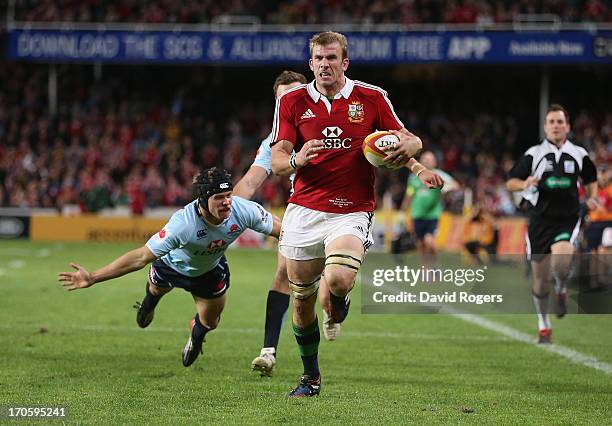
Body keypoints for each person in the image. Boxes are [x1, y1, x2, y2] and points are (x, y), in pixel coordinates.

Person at [270, 31, 444, 397]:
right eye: (318, 58)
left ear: (344, 62)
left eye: (332, 58)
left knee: (338, 280)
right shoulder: (292, 103)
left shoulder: (371, 97)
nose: (324, 64)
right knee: (301, 299)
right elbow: (278, 159)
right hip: (304, 209)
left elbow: (408, 138)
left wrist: (413, 159)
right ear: (311, 63)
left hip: (352, 209)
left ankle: (340, 298)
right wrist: (297, 159)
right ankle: (310, 377)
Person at [58, 167, 281, 366]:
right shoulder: (183, 224)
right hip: (171, 265)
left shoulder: (243, 211)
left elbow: (285, 231)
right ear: (203, 200)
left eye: (229, 195)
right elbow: (141, 257)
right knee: (156, 288)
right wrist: (93, 277)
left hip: (209, 271)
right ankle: (149, 301)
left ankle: (196, 334)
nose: (227, 202)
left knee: (211, 322)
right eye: (219, 197)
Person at [233, 71, 343, 380]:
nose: (289, 102)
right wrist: (226, 205)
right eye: (282, 98)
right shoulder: (275, 140)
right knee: (284, 273)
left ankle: (335, 305)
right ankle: (268, 351)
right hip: (305, 213)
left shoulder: (331, 119)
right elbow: (252, 180)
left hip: (343, 213)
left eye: (295, 94)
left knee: (331, 288)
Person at [506, 104, 598, 344]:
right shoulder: (534, 154)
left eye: (560, 122)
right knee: (540, 279)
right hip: (539, 221)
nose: (556, 126)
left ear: (567, 126)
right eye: (552, 122)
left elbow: (590, 179)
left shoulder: (579, 154)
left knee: (562, 262)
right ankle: (543, 324)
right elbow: (510, 182)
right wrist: (524, 184)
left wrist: (592, 198)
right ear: (546, 126)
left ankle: (561, 286)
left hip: (566, 219)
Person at [402, 150, 458, 265]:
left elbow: (455, 185)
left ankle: (435, 264)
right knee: (421, 244)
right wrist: (404, 207)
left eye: (429, 160)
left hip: (432, 214)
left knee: (429, 241)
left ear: (434, 162)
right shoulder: (414, 177)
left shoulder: (438, 175)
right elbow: (410, 193)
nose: (426, 162)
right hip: (417, 214)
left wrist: (446, 188)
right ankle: (425, 268)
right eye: (424, 159)